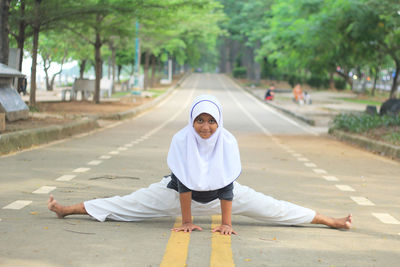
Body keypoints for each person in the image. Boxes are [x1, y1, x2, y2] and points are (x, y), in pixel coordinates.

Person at [48, 95, 352, 235]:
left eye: (210, 121)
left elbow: (227, 187)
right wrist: (186, 221)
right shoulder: (182, 140)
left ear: (218, 122)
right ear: (191, 120)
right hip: (177, 195)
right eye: (199, 120)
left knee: (276, 208)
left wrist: (227, 222)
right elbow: (182, 183)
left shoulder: (227, 141)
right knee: (124, 206)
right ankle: (66, 209)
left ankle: (331, 221)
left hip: (223, 198)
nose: (205, 127)